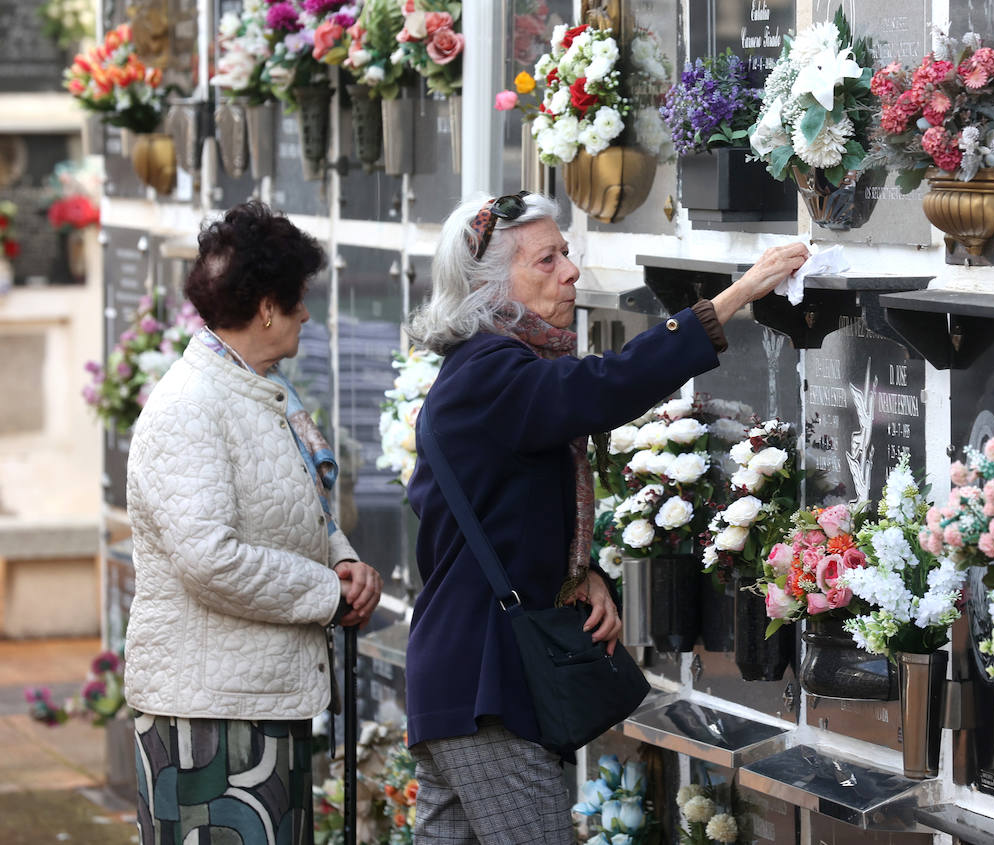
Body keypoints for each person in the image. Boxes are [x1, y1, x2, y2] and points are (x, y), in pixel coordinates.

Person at [405, 191, 808, 843]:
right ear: (489, 285)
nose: (570, 271)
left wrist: (578, 569)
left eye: (568, 251)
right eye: (547, 259)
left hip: (458, 682)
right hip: (487, 689)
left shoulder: (491, 372)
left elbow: (502, 510)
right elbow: (599, 390)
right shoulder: (488, 373)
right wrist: (739, 295)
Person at [123, 201, 383, 845]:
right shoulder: (192, 407)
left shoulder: (258, 391)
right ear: (268, 305)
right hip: (207, 719)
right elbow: (208, 558)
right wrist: (328, 594)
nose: (307, 314)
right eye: (298, 299)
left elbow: (298, 503)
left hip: (256, 700)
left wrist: (341, 558)